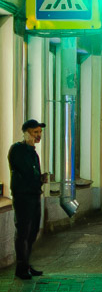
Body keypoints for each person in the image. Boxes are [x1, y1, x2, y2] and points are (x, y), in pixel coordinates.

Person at [8, 120, 46, 280]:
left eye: (39, 132)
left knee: (33, 231)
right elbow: (26, 171)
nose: (38, 136)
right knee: (23, 231)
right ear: (26, 133)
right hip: (23, 196)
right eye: (34, 132)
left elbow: (34, 174)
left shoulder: (33, 152)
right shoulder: (18, 150)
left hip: (34, 194)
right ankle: (21, 267)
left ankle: (26, 264)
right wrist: (37, 178)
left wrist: (40, 179)